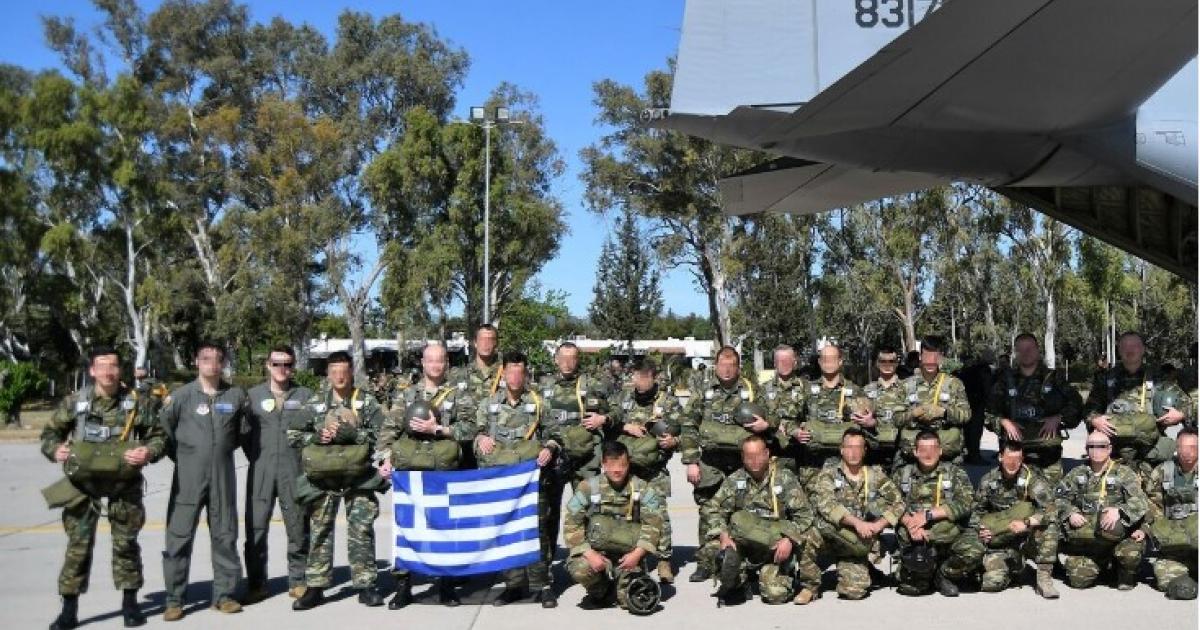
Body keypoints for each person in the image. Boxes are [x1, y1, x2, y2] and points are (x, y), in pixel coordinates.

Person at [42, 346, 166, 629]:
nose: (108, 371)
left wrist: (147, 452)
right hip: (83, 486)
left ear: (120, 370)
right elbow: (50, 434)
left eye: (113, 365)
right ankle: (69, 609)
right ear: (92, 370)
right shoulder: (76, 402)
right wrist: (55, 450)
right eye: (102, 365)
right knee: (78, 547)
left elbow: (158, 436)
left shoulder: (136, 402)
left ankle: (130, 604)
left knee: (126, 545)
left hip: (124, 484)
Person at [377, 343, 476, 608]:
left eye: (440, 360)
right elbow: (390, 429)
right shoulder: (407, 394)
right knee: (406, 529)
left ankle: (446, 586)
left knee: (445, 530)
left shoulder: (459, 395)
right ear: (422, 363)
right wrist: (385, 459)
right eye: (430, 360)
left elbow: (470, 429)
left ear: (446, 363)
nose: (435, 365)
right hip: (411, 475)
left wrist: (439, 429)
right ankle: (403, 586)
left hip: (444, 474)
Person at [288, 351, 388, 610]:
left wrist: (355, 435)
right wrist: (315, 437)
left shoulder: (365, 402)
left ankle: (366, 584)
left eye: (344, 371)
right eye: (334, 372)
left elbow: (383, 435)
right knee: (320, 528)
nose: (339, 377)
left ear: (351, 372)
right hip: (324, 477)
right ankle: (316, 586)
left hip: (358, 477)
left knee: (361, 529)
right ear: (328, 374)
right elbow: (293, 434)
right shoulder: (316, 402)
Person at [159, 342, 249, 621]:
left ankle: (224, 595)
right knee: (179, 536)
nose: (212, 363)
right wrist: (188, 455)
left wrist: (217, 450)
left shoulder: (235, 396)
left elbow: (242, 433)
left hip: (222, 475)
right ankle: (174, 600)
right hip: (188, 477)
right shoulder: (181, 397)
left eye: (218, 359)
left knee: (225, 534)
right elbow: (165, 432)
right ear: (197, 362)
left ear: (223, 363)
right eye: (206, 358)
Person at [681, 346, 776, 582]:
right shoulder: (703, 390)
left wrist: (766, 425)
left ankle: (741, 559)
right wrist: (691, 461)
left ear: (738, 367)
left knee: (743, 510)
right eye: (722, 365)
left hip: (742, 463)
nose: (726, 370)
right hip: (710, 462)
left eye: (731, 365)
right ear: (716, 365)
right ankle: (706, 562)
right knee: (708, 511)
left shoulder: (752, 390)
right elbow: (689, 424)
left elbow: (773, 415)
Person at [473, 351, 560, 608]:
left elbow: (555, 435)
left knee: (537, 532)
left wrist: (549, 448)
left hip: (532, 481)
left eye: (520, 372)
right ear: (503, 373)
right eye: (511, 371)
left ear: (525, 374)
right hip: (502, 482)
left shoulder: (538, 403)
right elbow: (476, 433)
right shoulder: (489, 404)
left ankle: (543, 586)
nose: (515, 377)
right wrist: (481, 438)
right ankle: (513, 586)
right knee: (506, 533)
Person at [704, 435, 822, 605]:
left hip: (775, 546)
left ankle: (790, 577)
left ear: (767, 454)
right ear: (742, 457)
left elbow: (805, 514)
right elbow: (713, 508)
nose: (754, 460)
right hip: (746, 543)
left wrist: (789, 539)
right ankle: (738, 584)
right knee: (713, 547)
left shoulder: (784, 478)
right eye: (749, 456)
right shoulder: (735, 480)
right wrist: (723, 534)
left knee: (775, 595)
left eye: (758, 455)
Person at [243, 345, 313, 603]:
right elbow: (244, 435)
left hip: (294, 471)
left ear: (293, 366)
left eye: (287, 364)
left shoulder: (305, 395)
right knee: (255, 529)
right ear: (268, 365)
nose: (282, 369)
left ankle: (298, 580)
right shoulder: (252, 397)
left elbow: (313, 431)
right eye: (276, 364)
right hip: (261, 470)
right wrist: (259, 457)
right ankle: (256, 584)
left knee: (297, 527)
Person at [564, 441, 668, 610]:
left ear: (628, 463)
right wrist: (589, 553)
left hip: (629, 554)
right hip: (598, 552)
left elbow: (654, 524)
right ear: (603, 464)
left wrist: (637, 554)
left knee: (632, 601)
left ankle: (623, 584)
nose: (617, 470)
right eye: (611, 465)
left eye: (622, 465)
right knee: (581, 569)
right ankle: (601, 590)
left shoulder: (642, 488)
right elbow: (571, 523)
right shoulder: (588, 487)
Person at [608, 357, 683, 583]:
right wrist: (625, 426)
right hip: (628, 470)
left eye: (643, 377)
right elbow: (610, 422)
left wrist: (674, 441)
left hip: (654, 471)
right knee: (627, 514)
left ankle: (663, 560)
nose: (638, 381)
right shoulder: (623, 398)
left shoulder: (668, 402)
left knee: (659, 515)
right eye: (635, 376)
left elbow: (685, 431)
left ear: (654, 377)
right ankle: (631, 557)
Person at [809, 428, 903, 600]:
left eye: (858, 447)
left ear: (864, 450)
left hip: (857, 542)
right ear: (841, 450)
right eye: (849, 447)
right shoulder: (828, 474)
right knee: (809, 536)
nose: (853, 452)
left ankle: (861, 568)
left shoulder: (875, 475)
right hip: (831, 536)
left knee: (854, 592)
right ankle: (809, 585)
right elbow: (826, 505)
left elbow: (898, 502)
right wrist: (857, 523)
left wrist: (878, 525)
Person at [1084, 331, 1191, 480]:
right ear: (1119, 350)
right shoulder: (1106, 378)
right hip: (1114, 454)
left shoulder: (1158, 377)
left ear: (1142, 349)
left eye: (1134, 346)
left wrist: (1180, 414)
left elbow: (1187, 403)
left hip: (1150, 452)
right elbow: (1089, 408)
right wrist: (1095, 419)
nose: (1130, 350)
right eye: (1125, 346)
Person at [892, 430, 982, 597]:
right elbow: (889, 504)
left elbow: (966, 502)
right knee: (913, 589)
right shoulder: (902, 474)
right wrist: (910, 523)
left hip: (950, 533)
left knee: (973, 550)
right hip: (915, 534)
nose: (928, 454)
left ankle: (943, 574)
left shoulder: (955, 473)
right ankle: (923, 572)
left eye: (933, 449)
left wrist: (928, 515)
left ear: (940, 451)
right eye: (923, 449)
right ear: (915, 452)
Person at [1056, 431, 1149, 590]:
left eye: (1101, 446)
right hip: (1089, 539)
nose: (1095, 450)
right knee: (1078, 580)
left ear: (1109, 449)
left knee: (1129, 555)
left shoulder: (1124, 473)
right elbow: (1059, 498)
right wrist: (1070, 512)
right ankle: (1101, 565)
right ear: (1086, 449)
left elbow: (1140, 501)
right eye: (1091, 446)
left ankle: (1124, 572)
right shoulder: (1077, 473)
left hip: (1118, 537)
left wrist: (1119, 510)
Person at [985, 333, 1083, 484]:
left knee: (1049, 497)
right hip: (1013, 455)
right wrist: (1003, 421)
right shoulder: (1005, 380)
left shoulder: (1053, 378)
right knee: (1013, 496)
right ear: (1016, 353)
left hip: (1048, 458)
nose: (1026, 353)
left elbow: (1077, 404)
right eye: (1021, 349)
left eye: (1030, 348)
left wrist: (1059, 418)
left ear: (1038, 350)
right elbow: (988, 413)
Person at [970, 441, 1060, 598]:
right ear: (1000, 457)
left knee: (1049, 526)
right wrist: (981, 530)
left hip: (1027, 538)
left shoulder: (1032, 480)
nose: (1013, 463)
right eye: (1009, 459)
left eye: (1017, 459)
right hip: (1001, 538)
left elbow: (1051, 509)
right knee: (991, 582)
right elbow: (976, 512)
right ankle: (1014, 570)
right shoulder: (988, 480)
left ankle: (1044, 578)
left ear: (1022, 459)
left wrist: (1027, 523)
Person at [781, 342, 862, 485]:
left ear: (840, 361)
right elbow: (787, 419)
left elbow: (864, 422)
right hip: (812, 467)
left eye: (832, 358)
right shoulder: (806, 390)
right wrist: (796, 432)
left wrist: (867, 421)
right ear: (819, 362)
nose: (828, 362)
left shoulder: (855, 391)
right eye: (824, 358)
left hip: (844, 467)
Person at [894, 336, 971, 466]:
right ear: (920, 357)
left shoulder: (954, 384)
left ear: (940, 357)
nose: (930, 361)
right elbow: (896, 419)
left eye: (935, 356)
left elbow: (966, 415)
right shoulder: (906, 385)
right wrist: (913, 413)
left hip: (946, 457)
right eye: (927, 356)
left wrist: (944, 412)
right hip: (913, 458)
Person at [1142, 427, 1198, 599]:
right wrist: (1158, 530)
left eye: (1193, 447)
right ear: (1176, 448)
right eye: (1183, 447)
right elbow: (1152, 505)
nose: (1187, 452)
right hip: (1175, 544)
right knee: (1166, 580)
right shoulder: (1163, 471)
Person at [860, 344, 907, 470]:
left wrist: (876, 422)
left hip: (900, 452)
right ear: (877, 363)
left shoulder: (907, 389)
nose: (887, 365)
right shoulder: (866, 391)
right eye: (883, 361)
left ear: (897, 363)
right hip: (874, 453)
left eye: (891, 361)